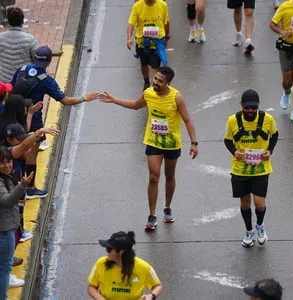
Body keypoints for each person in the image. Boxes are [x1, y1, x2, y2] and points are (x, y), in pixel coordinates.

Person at [99, 66, 198, 231]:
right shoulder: (148, 93)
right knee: (154, 177)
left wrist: (194, 142)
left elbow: (187, 120)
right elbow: (136, 105)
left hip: (172, 144)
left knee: (170, 175)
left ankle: (167, 207)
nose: (156, 82)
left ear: (167, 83)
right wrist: (114, 99)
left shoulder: (177, 98)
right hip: (153, 142)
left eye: (160, 81)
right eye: (155, 78)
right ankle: (152, 215)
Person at [10, 46, 100, 150]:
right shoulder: (47, 81)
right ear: (49, 61)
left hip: (14, 115)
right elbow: (66, 101)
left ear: (35, 58)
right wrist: (83, 98)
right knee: (32, 152)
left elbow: (10, 88)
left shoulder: (22, 69)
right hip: (34, 120)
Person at [224, 90, 279, 247]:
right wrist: (234, 152)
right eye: (247, 107)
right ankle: (249, 231)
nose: (250, 111)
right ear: (241, 104)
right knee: (245, 202)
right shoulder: (232, 121)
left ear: (258, 106)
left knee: (260, 203)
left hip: (261, 168)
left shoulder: (267, 119)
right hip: (240, 169)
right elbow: (227, 140)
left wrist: (270, 150)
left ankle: (260, 226)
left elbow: (274, 135)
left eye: (253, 108)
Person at [0, 146, 34, 299]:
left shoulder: (6, 177)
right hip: (4, 231)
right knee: (4, 268)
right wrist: (22, 186)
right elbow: (6, 201)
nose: (7, 165)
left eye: (9, 162)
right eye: (2, 163)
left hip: (6, 228)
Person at [88, 231, 163, 300]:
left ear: (121, 252)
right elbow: (91, 287)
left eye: (109, 249)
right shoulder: (100, 263)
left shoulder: (144, 267)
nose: (107, 251)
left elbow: (158, 286)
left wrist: (151, 296)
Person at [127, 0, 170, 91]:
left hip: (157, 43)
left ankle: (155, 89)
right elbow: (131, 23)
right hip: (142, 43)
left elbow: (166, 22)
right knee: (144, 63)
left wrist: (166, 37)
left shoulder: (162, 5)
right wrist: (129, 38)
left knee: (155, 67)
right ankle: (146, 81)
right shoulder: (137, 6)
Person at [270, 0, 293, 123]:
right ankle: (287, 92)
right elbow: (272, 24)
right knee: (287, 81)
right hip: (286, 48)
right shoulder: (284, 7)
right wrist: (282, 32)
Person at [0, 7, 39, 83]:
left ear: (8, 21)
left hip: (4, 82)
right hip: (24, 81)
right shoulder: (30, 40)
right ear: (22, 21)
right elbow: (38, 61)